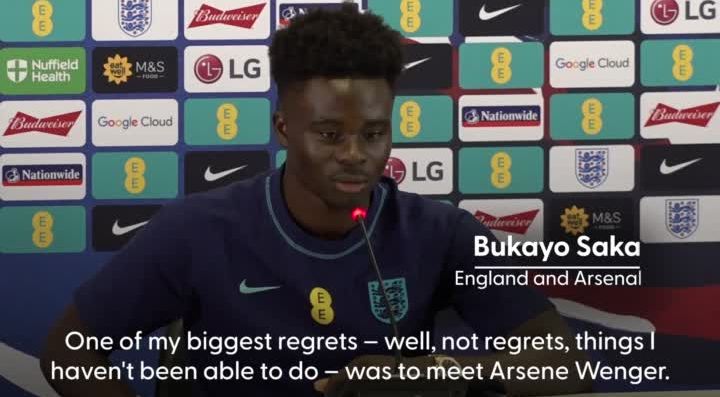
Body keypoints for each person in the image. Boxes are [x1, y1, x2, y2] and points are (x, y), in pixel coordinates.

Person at [41, 5, 591, 397]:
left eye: (373, 133)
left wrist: (440, 372)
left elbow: (564, 364)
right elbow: (68, 355)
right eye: (329, 134)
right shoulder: (197, 229)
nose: (355, 155)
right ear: (284, 128)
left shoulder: (440, 231)